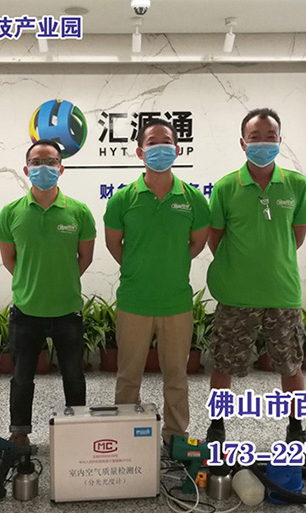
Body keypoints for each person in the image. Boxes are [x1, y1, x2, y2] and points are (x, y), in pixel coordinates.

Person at [205, 108, 306, 445]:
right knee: (223, 363)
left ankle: (296, 428)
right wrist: (242, 266)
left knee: (290, 364)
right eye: (255, 137)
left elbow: (297, 236)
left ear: (280, 140)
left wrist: (271, 259)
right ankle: (217, 427)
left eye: (270, 137)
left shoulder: (296, 184)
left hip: (282, 293)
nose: (263, 143)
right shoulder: (226, 187)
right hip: (236, 294)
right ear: (243, 143)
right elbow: (215, 239)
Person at [104, 118, 210, 447]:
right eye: (152, 142)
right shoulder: (122, 199)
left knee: (176, 376)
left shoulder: (193, 199)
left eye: (166, 141)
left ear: (177, 150)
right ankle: (126, 436)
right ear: (140, 151)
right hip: (134, 302)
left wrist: (170, 265)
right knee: (128, 376)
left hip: (176, 303)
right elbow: (113, 244)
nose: (160, 148)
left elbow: (197, 243)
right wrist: (138, 267)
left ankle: (176, 436)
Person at [0, 139, 96, 447]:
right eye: (37, 162)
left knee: (74, 375)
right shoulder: (10, 212)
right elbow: (9, 260)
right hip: (26, 310)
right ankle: (19, 432)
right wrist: (32, 283)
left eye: (51, 162)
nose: (44, 167)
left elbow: (85, 258)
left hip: (68, 309)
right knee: (22, 377)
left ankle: (76, 428)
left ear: (61, 168)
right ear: (26, 170)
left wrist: (61, 280)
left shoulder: (79, 211)